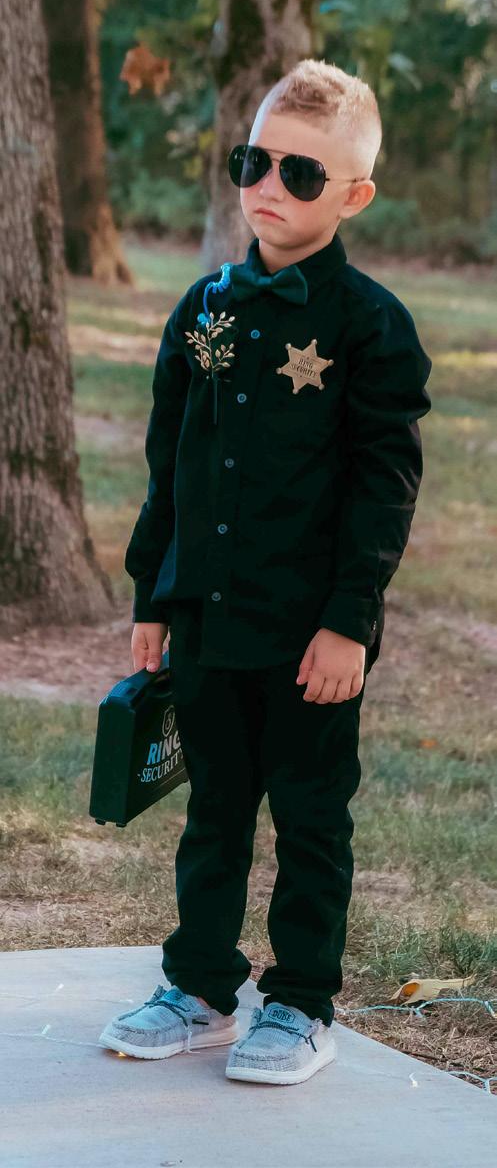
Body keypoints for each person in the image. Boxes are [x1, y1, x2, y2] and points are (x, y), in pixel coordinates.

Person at [98, 57, 432, 1086]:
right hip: (206, 615)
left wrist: (348, 620)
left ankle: (299, 1002)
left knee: (310, 816)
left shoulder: (371, 327)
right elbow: (170, 461)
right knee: (214, 809)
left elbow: (383, 486)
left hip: (308, 634)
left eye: (301, 172)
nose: (268, 187)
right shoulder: (204, 308)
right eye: (254, 162)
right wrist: (153, 594)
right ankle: (199, 987)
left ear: (352, 196)